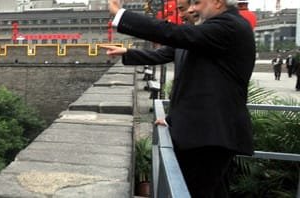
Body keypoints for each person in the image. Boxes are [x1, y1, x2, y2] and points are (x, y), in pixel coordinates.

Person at [108, 0, 255, 197]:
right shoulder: (208, 33)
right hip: (200, 133)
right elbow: (172, 56)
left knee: (197, 191)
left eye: (197, 3)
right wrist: (172, 120)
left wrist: (121, 14)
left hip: (210, 136)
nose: (192, 9)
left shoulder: (228, 27)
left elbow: (172, 33)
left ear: (218, 2)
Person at [100, 0, 198, 82]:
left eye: (182, 9)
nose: (180, 15)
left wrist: (119, 13)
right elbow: (159, 55)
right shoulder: (187, 36)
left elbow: (166, 31)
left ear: (194, 7)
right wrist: (126, 52)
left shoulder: (207, 32)